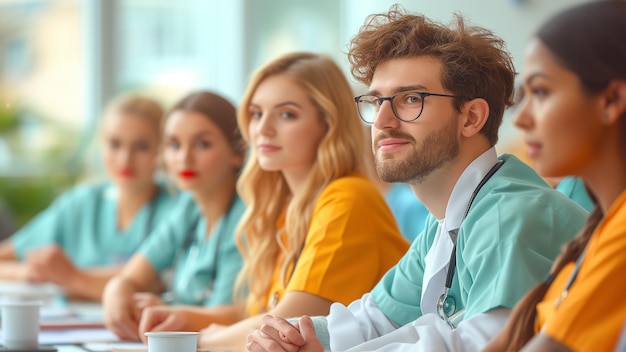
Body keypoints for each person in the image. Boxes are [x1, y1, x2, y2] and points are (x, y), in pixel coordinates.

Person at [245, 6, 590, 352]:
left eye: (410, 99)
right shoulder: (447, 221)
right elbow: (372, 320)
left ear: (471, 117)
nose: (382, 120)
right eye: (376, 100)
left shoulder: (510, 214)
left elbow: (486, 344)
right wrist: (290, 335)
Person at [135, 52, 410, 350]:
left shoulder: (349, 198)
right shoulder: (290, 209)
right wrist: (187, 318)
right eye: (256, 114)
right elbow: (263, 310)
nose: (263, 129)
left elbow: (283, 327)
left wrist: (197, 340)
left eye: (286, 114)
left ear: (328, 123)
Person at [483, 1, 626, 351]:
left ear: (611, 99)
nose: (520, 118)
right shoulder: (599, 231)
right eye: (524, 95)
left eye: (541, 92)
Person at [0, 94, 178, 301]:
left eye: (141, 147)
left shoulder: (177, 208)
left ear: (163, 150)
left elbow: (155, 281)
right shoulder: (81, 203)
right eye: (114, 144)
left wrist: (72, 277)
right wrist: (28, 273)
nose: (125, 158)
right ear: (101, 146)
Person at [102, 91, 247, 341]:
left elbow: (238, 315)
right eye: (174, 144)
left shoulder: (246, 218)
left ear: (237, 152)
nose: (184, 158)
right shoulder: (188, 207)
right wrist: (116, 291)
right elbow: (131, 277)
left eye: (203, 144)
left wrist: (169, 311)